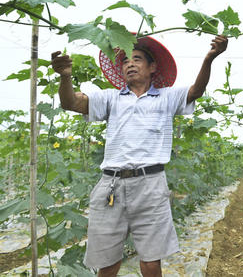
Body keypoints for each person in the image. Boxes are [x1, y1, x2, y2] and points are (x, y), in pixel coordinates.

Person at [50, 34, 228, 277]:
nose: (130, 64)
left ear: (153, 67)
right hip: (111, 185)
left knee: (151, 261)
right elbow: (71, 102)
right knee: (108, 262)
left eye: (137, 59)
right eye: (125, 61)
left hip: (150, 185)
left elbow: (196, 90)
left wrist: (210, 58)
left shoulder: (167, 97)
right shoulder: (110, 98)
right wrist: (65, 77)